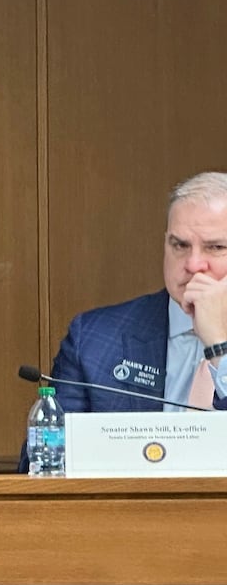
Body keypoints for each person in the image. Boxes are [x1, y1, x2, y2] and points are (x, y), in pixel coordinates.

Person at [35, 171, 227, 419]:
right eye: (180, 245)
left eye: (216, 247)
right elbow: (44, 455)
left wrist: (219, 347)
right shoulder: (95, 339)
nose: (193, 264)